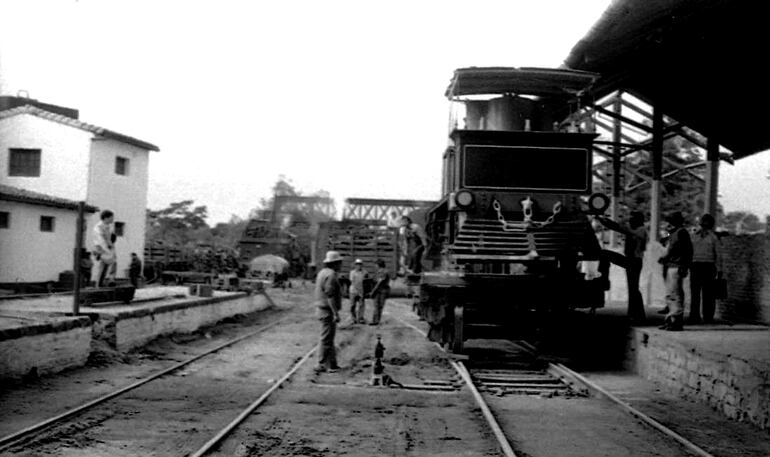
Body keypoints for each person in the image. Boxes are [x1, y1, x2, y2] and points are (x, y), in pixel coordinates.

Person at [597, 211, 648, 321]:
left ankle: (637, 314)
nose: (630, 221)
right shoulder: (636, 230)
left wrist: (609, 223)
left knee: (633, 288)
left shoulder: (641, 230)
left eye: (632, 218)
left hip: (634, 261)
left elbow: (624, 229)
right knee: (633, 288)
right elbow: (621, 229)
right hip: (630, 260)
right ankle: (635, 314)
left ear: (638, 220)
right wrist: (605, 221)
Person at [658, 211, 692, 331]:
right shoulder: (674, 233)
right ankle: (670, 319)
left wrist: (685, 265)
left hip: (676, 265)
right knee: (670, 294)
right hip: (671, 265)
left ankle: (676, 321)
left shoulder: (681, 232)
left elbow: (680, 249)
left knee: (675, 294)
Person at [314, 250, 343, 373]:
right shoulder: (331, 275)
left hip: (321, 309)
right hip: (327, 310)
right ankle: (321, 364)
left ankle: (332, 364)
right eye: (339, 262)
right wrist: (336, 313)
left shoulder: (322, 273)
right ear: (335, 263)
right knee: (326, 338)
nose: (340, 264)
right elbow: (330, 295)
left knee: (329, 338)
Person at [689, 214, 722, 324]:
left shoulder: (713, 238)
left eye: (707, 224)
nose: (704, 226)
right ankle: (694, 316)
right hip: (695, 266)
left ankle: (708, 317)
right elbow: (688, 252)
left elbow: (718, 254)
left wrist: (720, 270)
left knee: (709, 294)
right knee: (695, 293)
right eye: (703, 223)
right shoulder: (693, 236)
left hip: (708, 266)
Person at [92, 210, 116, 288]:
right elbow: (100, 240)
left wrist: (111, 244)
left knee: (104, 267)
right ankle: (109, 281)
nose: (113, 219)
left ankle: (99, 284)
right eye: (111, 217)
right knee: (111, 263)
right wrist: (107, 250)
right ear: (106, 218)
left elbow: (109, 238)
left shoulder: (108, 226)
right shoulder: (98, 227)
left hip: (107, 248)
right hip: (101, 248)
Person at [369, 259, 391, 325]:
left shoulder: (382, 272)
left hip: (380, 290)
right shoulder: (382, 271)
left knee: (377, 306)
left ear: (379, 265)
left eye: (376, 264)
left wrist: (373, 291)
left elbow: (379, 282)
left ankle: (375, 320)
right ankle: (376, 320)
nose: (375, 266)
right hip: (383, 290)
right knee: (379, 306)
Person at [348, 259, 368, 324]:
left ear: (361, 265)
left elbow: (366, 282)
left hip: (361, 291)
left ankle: (360, 318)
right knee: (352, 305)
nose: (358, 266)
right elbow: (352, 282)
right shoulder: (352, 272)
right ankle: (353, 319)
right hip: (353, 291)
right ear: (355, 265)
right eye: (357, 264)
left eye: (359, 264)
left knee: (361, 305)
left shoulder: (365, 272)